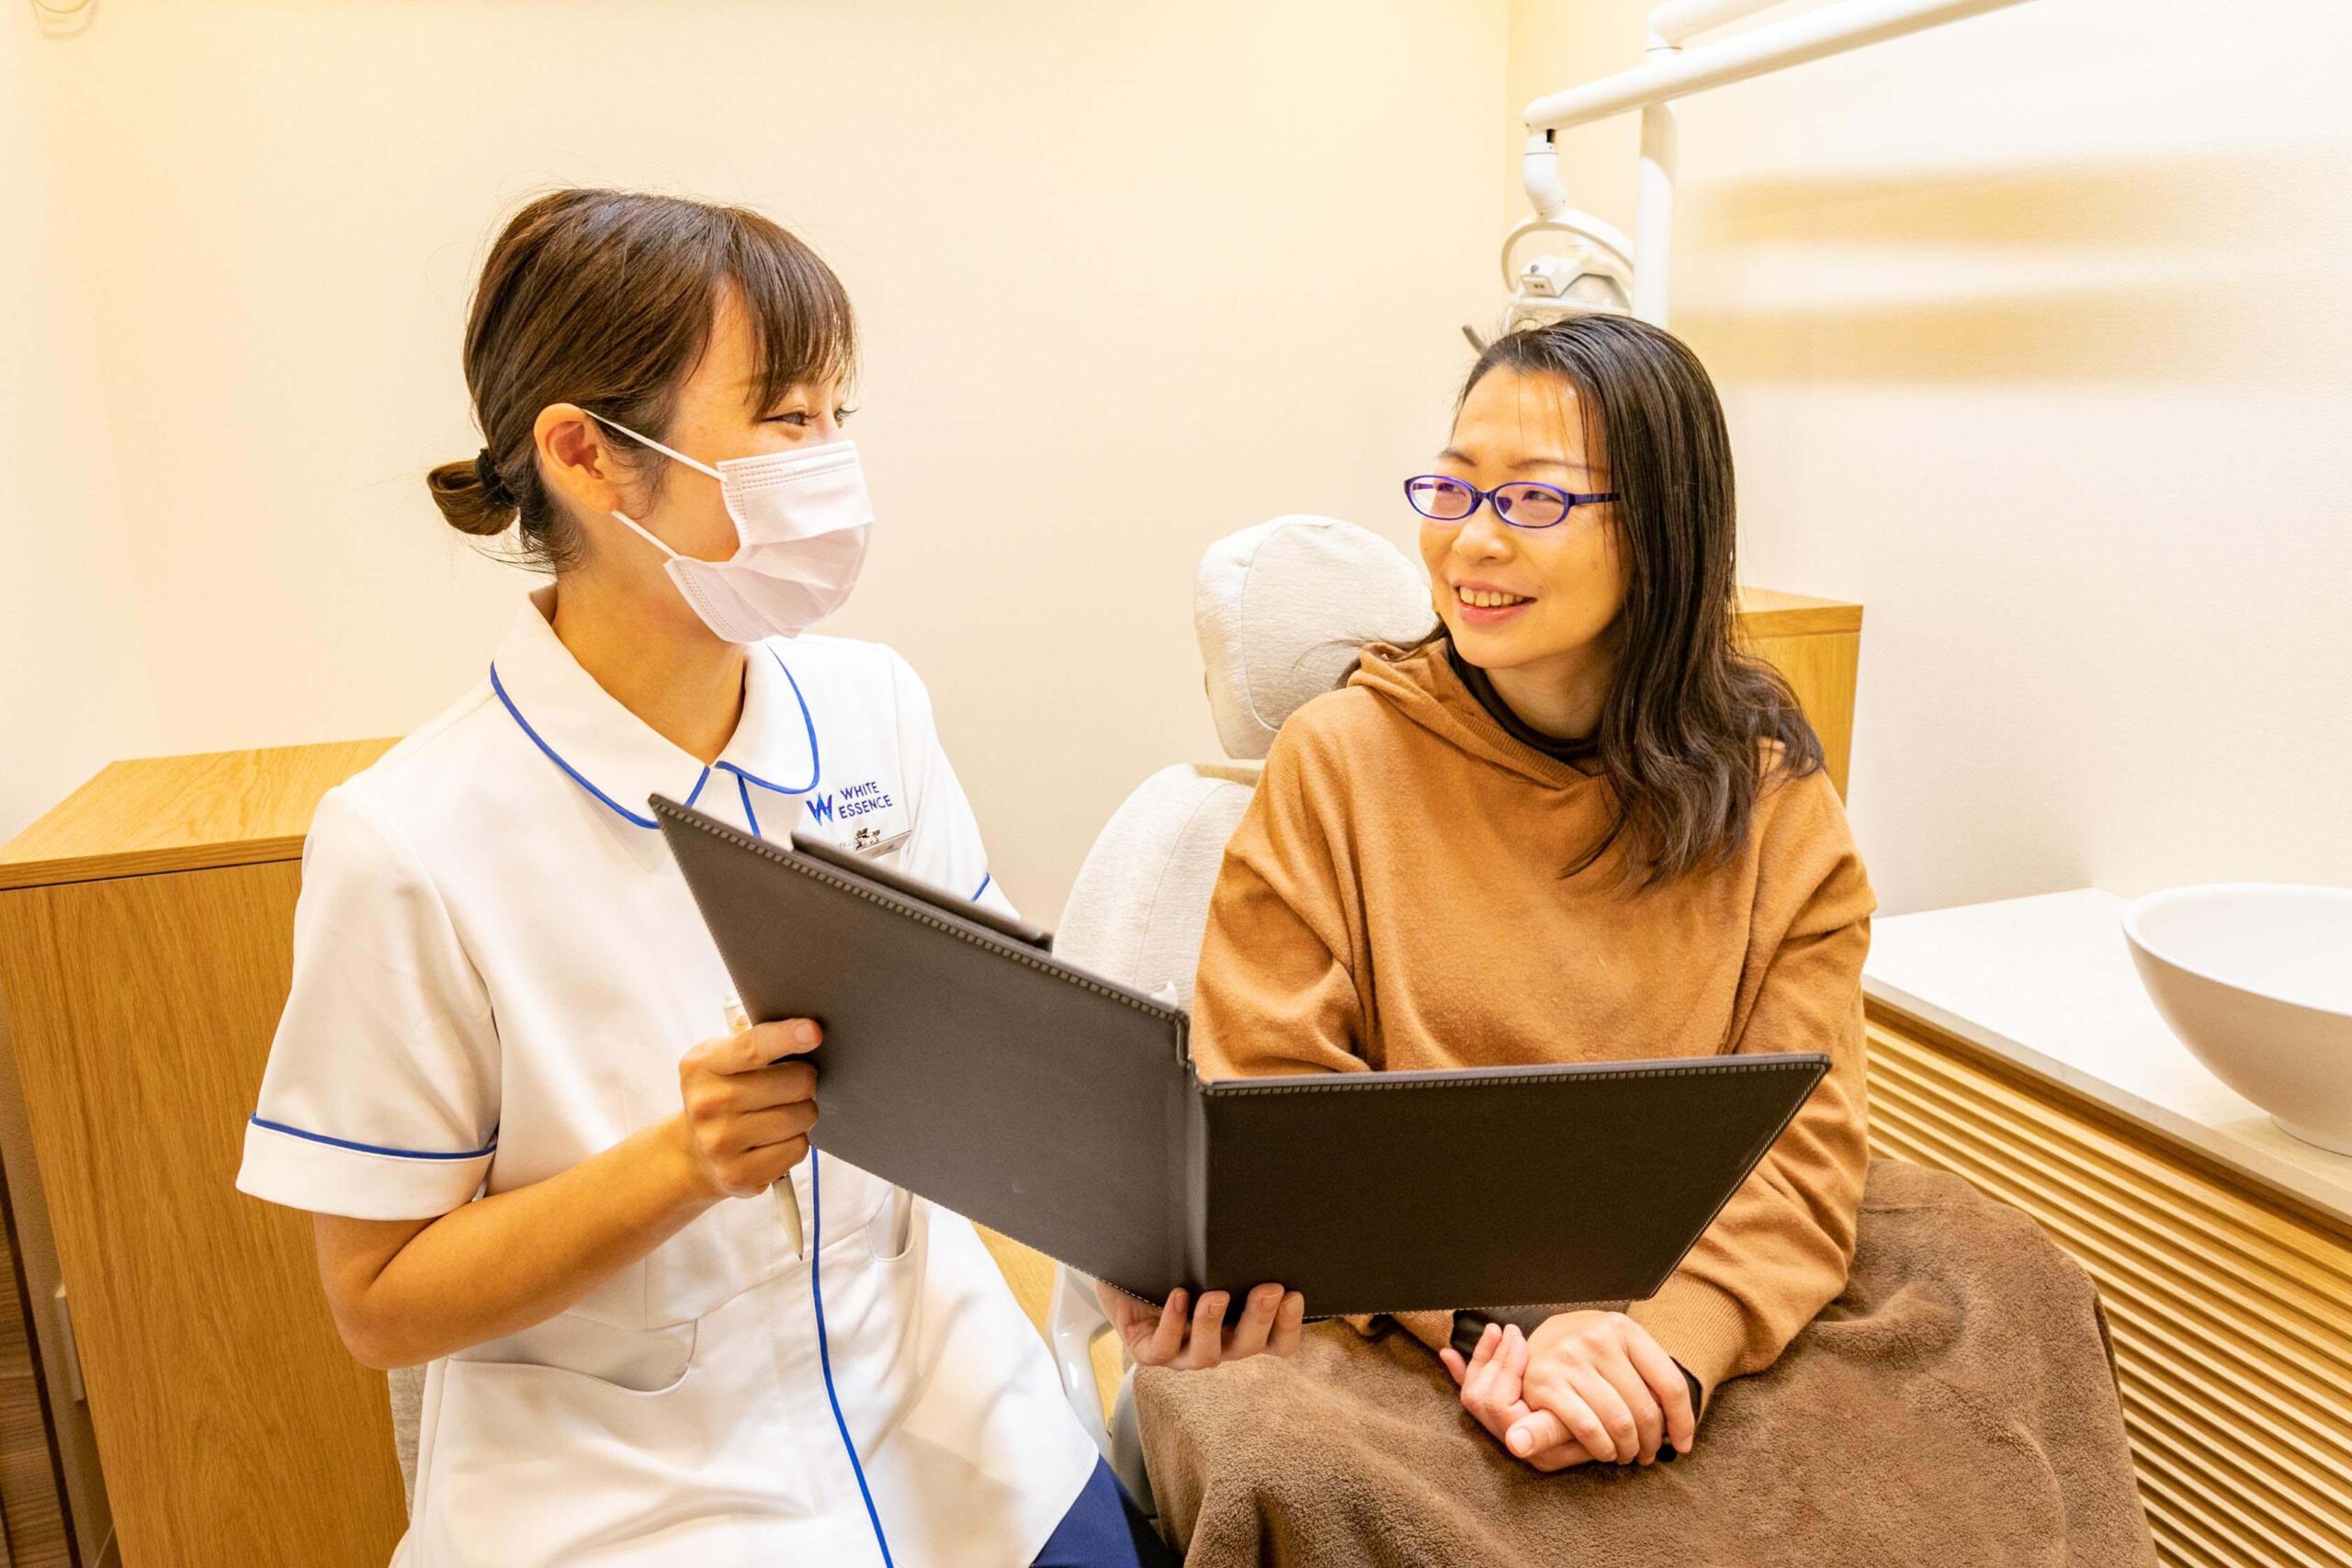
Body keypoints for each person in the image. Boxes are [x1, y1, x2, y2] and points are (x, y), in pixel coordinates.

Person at [235, 187, 1280, 1566]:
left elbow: (997, 1069)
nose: (832, 461)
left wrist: (1143, 1268)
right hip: (640, 1498)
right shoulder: (411, 838)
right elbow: (378, 1299)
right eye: (786, 420)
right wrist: (680, 1162)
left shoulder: (871, 710)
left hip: (960, 1429)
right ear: (588, 458)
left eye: (839, 415)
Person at [1187, 312, 1875, 1474]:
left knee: (2009, 1299)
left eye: (1536, 501)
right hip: (1406, 1310)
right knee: (1262, 1446)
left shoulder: (1773, 800)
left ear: (1664, 532)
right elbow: (1272, 1113)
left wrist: (1657, 1347)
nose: (1471, 544)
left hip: (1672, 1313)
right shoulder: (1342, 758)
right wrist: (1506, 1331)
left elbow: (1802, 1148)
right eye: (1451, 492)